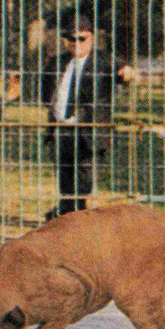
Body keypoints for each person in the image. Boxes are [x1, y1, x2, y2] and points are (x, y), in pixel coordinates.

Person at [41, 13, 134, 219]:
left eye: (81, 38)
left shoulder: (103, 61)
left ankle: (72, 215)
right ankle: (67, 213)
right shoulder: (57, 62)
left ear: (91, 38)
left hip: (88, 132)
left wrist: (127, 72)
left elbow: (124, 69)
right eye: (71, 38)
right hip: (62, 128)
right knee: (65, 176)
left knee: (83, 179)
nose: (76, 43)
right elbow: (45, 89)